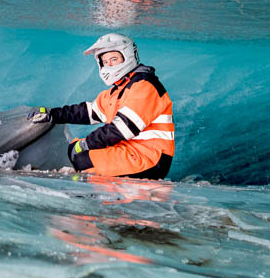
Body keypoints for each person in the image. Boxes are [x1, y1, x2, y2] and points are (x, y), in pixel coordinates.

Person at [32, 32, 175, 179]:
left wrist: (87, 144)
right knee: (75, 151)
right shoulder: (119, 89)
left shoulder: (145, 86)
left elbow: (121, 129)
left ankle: (87, 195)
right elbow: (87, 112)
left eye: (114, 59)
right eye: (105, 62)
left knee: (83, 159)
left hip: (150, 158)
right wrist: (52, 114)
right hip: (130, 151)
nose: (109, 65)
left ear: (128, 57)